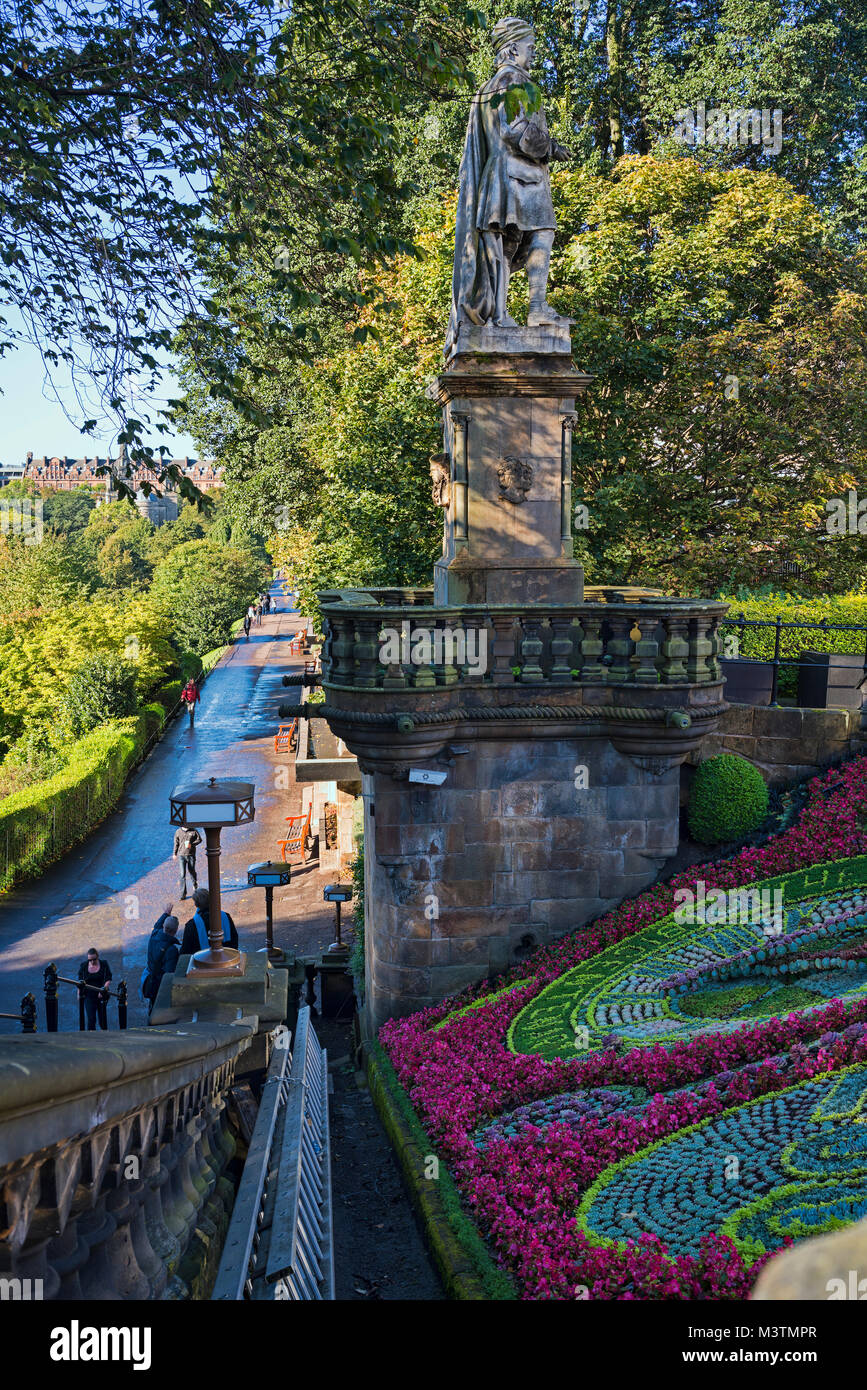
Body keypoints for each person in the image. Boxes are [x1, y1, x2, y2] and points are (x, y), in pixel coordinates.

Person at [445, 16, 572, 358]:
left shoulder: (486, 88)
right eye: (530, 48)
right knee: (542, 232)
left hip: (496, 177)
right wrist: (551, 148)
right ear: (514, 48)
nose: (534, 55)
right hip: (518, 176)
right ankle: (536, 306)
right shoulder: (516, 80)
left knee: (504, 244)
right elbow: (515, 130)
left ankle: (500, 315)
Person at [141, 907, 181, 1014]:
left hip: (149, 976)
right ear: (176, 931)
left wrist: (166, 914)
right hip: (159, 983)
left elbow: (156, 925)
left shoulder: (155, 934)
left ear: (163, 926)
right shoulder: (171, 950)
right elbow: (169, 973)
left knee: (153, 1005)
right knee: (159, 1008)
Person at [180, 887, 239, 957]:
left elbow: (185, 951)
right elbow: (234, 940)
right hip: (227, 957)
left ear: (196, 904)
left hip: (202, 961)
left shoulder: (191, 925)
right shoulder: (226, 916)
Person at [77, 948, 112, 1030]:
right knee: (91, 1019)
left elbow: (108, 978)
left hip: (101, 994)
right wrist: (79, 993)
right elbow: (80, 981)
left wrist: (103, 989)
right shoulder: (84, 966)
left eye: (94, 959)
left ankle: (104, 1036)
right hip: (88, 995)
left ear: (98, 957)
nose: (92, 962)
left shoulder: (104, 964)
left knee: (102, 1019)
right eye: (90, 960)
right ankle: (91, 1038)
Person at [173, 824, 201, 899]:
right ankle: (183, 894)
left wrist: (192, 844)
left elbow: (199, 839)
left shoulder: (193, 830)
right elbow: (176, 843)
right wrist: (174, 853)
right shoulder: (178, 832)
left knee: (192, 872)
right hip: (181, 855)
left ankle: (195, 886)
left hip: (191, 855)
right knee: (182, 875)